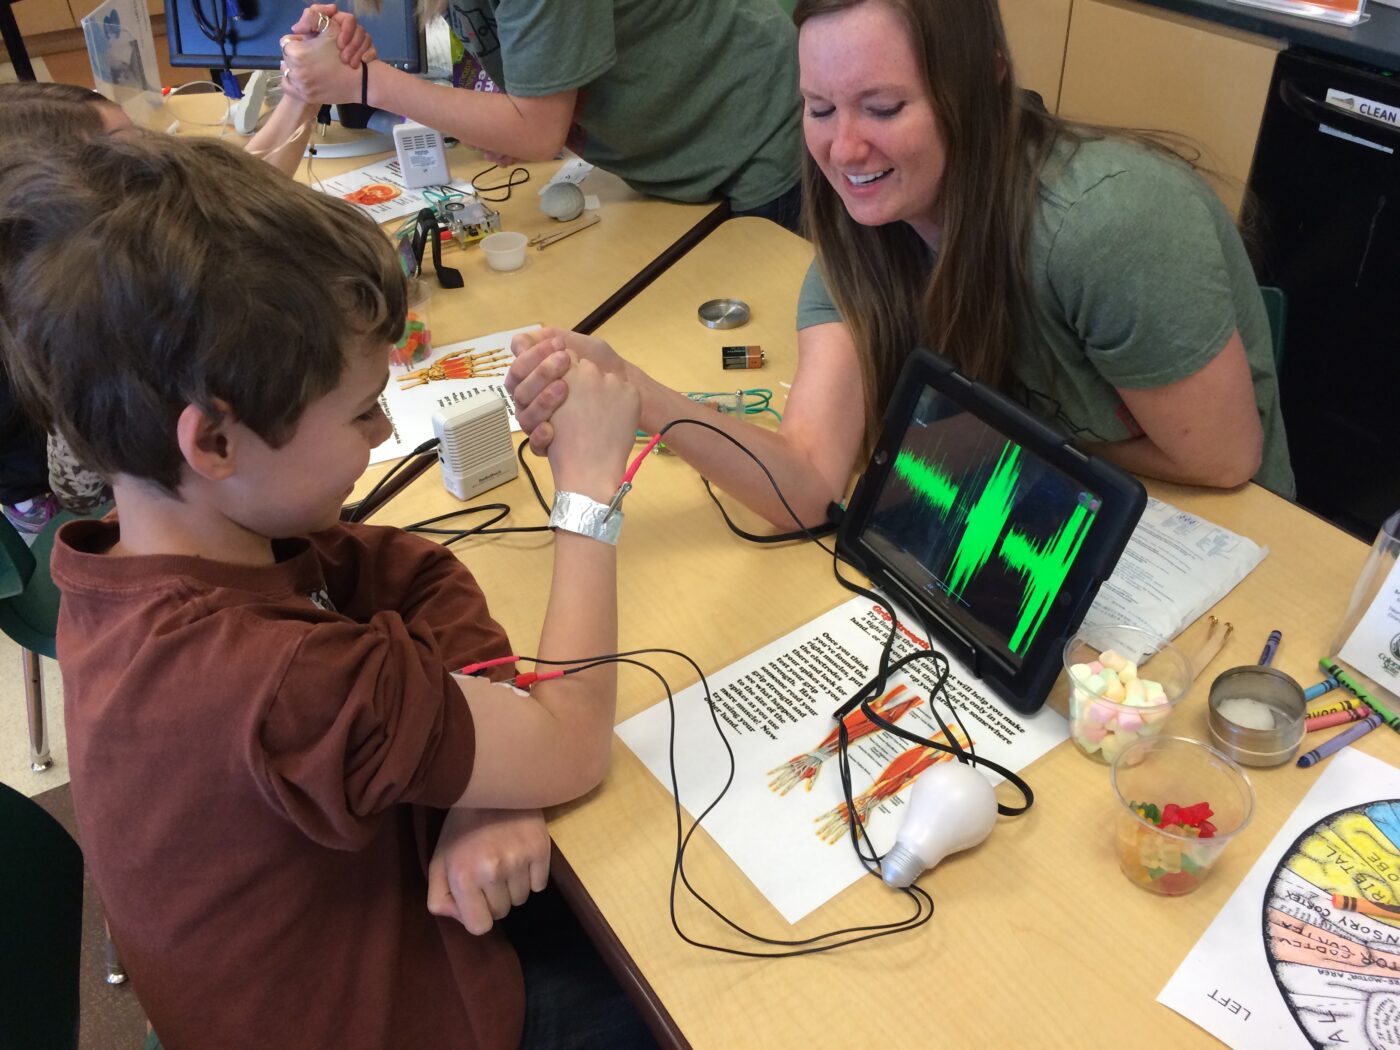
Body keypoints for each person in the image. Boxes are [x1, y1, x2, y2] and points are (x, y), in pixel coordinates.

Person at [0, 131, 648, 1048]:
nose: (383, 434)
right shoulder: (270, 681)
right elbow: (578, 741)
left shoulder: (155, 558)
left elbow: (419, 570)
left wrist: (482, 779)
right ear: (215, 442)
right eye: (359, 411)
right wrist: (588, 490)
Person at [505, 0, 1295, 532]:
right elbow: (809, 481)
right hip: (1029, 512)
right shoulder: (866, 227)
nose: (845, 151)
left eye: (884, 109)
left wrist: (972, 429)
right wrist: (634, 389)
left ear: (981, 80)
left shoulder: (1107, 222)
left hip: (1205, 532)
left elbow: (1221, 462)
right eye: (819, 110)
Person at [279, 0, 804, 229]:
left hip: (751, 133)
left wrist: (364, 81)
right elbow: (538, 104)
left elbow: (537, 130)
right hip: (674, 149)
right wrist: (340, 48)